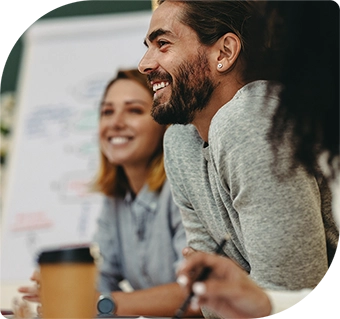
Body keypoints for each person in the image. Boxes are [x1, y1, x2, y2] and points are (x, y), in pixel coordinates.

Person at [138, 0, 339, 318]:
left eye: (163, 44)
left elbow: (291, 291)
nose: (144, 64)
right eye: (148, 46)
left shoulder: (251, 116)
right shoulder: (179, 142)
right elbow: (211, 294)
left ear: (224, 53)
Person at [18, 68, 202, 317]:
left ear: (164, 123)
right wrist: (68, 290)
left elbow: (198, 293)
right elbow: (102, 280)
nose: (115, 123)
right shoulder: (117, 199)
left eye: (134, 110)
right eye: (107, 112)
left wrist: (102, 302)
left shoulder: (183, 188)